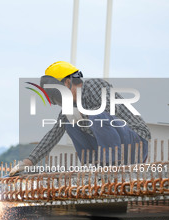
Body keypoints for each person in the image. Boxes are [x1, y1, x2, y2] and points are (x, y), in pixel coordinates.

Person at [10, 61, 151, 176]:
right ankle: (92, 166)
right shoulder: (70, 108)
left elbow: (111, 111)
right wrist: (28, 162)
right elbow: (52, 135)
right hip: (111, 149)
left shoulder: (95, 86)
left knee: (98, 116)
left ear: (67, 83)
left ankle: (110, 169)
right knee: (69, 123)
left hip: (135, 144)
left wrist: (84, 114)